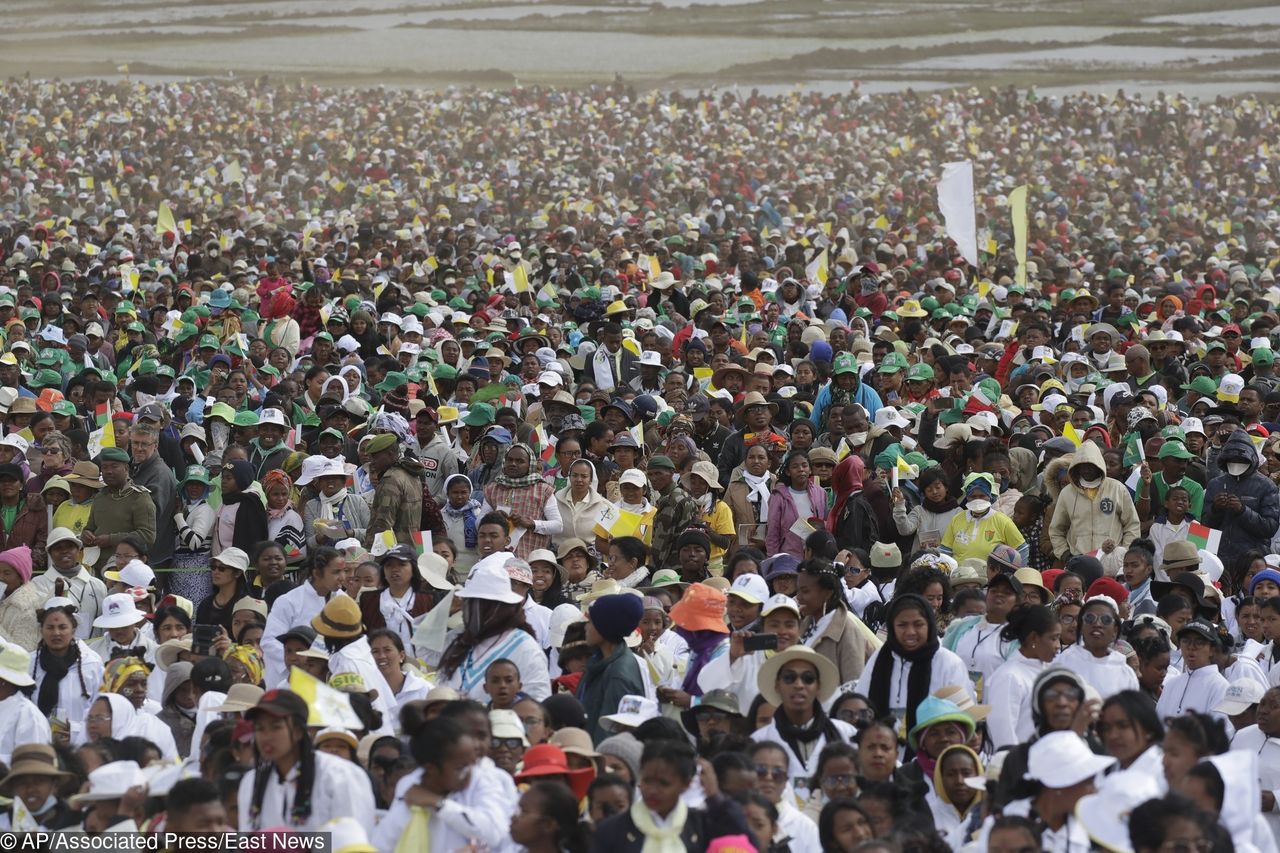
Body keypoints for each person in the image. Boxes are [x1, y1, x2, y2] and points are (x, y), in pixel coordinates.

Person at [370, 711, 512, 851]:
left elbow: (494, 832)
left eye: (471, 765)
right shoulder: (408, 806)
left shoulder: (477, 783)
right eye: (460, 768)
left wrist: (439, 804)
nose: (469, 774)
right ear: (431, 768)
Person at [238, 689, 376, 832]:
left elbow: (353, 840)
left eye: (276, 727)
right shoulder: (251, 781)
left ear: (298, 731)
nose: (266, 737)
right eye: (260, 729)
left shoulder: (339, 775)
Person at [589, 739, 753, 853]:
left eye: (663, 783)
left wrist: (714, 796)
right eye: (647, 781)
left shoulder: (701, 826)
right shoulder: (612, 829)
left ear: (686, 784)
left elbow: (747, 840)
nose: (652, 790)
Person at [438, 552, 551, 701]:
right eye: (468, 603)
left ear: (498, 608)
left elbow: (537, 703)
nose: (470, 610)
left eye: (479, 604)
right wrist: (444, 610)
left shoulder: (525, 648)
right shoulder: (460, 640)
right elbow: (423, 649)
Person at [749, 645, 855, 802]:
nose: (799, 685)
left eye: (808, 678)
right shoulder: (758, 741)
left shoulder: (845, 733)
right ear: (777, 685)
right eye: (789, 678)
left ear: (818, 686)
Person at [855, 593, 969, 729]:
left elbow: (964, 716)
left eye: (918, 624)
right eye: (902, 625)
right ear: (892, 627)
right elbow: (861, 704)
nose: (910, 632)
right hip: (882, 746)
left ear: (930, 625)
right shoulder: (880, 659)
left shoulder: (949, 663)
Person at [1049, 441, 1141, 562]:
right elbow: (1056, 530)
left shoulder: (1117, 488)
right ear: (1076, 466)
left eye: (1091, 464)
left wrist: (1123, 553)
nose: (1087, 469)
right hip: (1079, 560)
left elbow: (1132, 525)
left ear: (1099, 464)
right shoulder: (1067, 493)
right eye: (1082, 465)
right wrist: (1066, 554)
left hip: (1111, 560)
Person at [984, 605, 1060, 749]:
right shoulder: (1009, 677)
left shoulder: (1050, 671)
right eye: (1053, 638)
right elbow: (1003, 733)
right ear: (1033, 638)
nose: (1058, 645)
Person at [578, 593, 646, 744]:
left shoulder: (619, 674)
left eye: (591, 621)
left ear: (605, 627)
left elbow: (609, 733)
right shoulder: (598, 661)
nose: (586, 626)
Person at [80, 448, 156, 572]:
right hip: (98, 567)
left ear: (126, 469)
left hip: (127, 569)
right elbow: (91, 527)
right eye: (104, 467)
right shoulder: (100, 497)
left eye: (114, 467)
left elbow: (147, 536)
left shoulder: (139, 497)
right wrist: (86, 534)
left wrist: (111, 539)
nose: (108, 471)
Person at [1055, 594, 1140, 699]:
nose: (1097, 624)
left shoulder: (1125, 671)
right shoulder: (1062, 663)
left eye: (1106, 620)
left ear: (1115, 630)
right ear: (1081, 626)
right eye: (1090, 618)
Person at [1157, 619, 1230, 718]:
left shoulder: (1220, 687)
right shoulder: (1171, 684)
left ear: (1212, 650)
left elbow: (1220, 730)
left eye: (1199, 642)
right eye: (1186, 641)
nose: (1191, 647)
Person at [365, 433, 425, 549]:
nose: (372, 461)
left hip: (394, 549)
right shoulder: (411, 473)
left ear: (390, 454)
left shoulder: (391, 479)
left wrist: (370, 550)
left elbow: (383, 524)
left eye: (375, 457)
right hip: (412, 546)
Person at [767, 451, 827, 559]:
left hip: (816, 556)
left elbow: (825, 523)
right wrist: (773, 559)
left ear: (810, 470)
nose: (801, 469)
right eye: (795, 467)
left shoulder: (821, 493)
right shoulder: (779, 496)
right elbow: (773, 531)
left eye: (804, 466)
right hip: (789, 555)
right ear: (788, 472)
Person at [0, 545, 41, 650]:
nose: (0, 577)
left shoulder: (27, 609)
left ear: (21, 578)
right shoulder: (4, 599)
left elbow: (24, 652)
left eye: (7, 573)